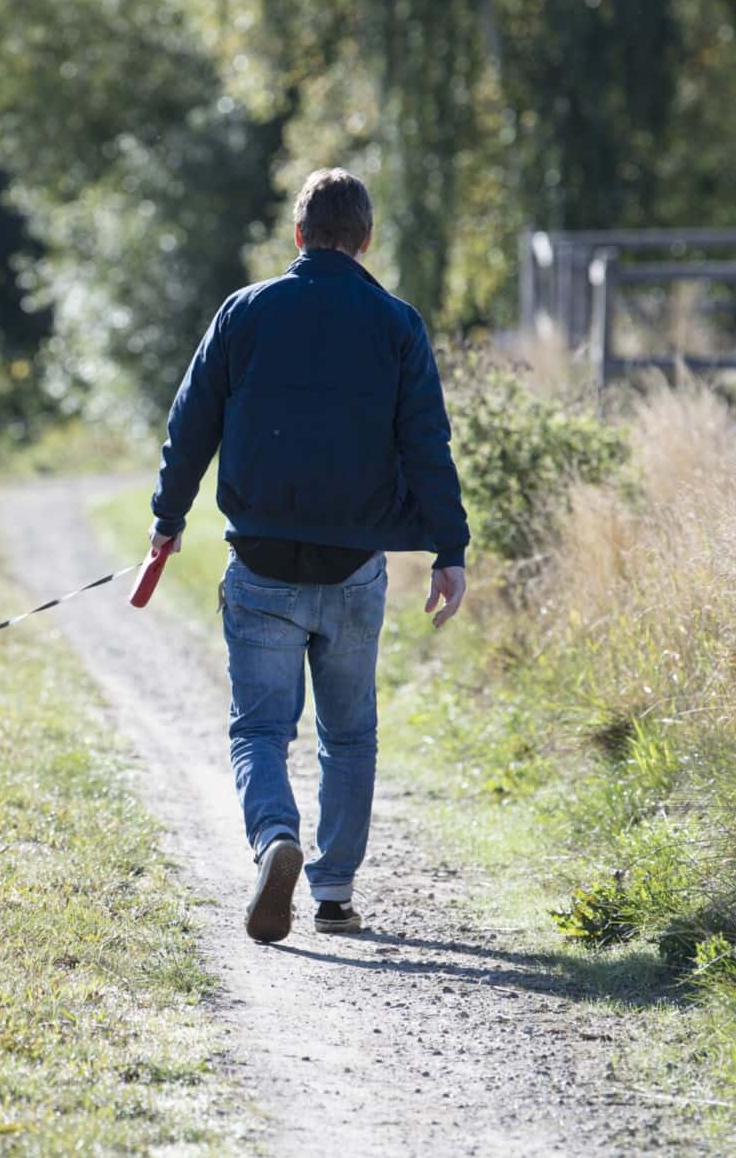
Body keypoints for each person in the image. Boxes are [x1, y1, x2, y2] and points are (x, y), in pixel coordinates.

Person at [146, 167, 469, 943]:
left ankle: (273, 839)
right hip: (355, 567)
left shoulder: (245, 312)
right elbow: (425, 442)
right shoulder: (396, 324)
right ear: (364, 241)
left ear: (297, 235)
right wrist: (447, 548)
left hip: (258, 562)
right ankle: (331, 892)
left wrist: (168, 517)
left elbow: (191, 421)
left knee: (260, 730)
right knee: (347, 733)